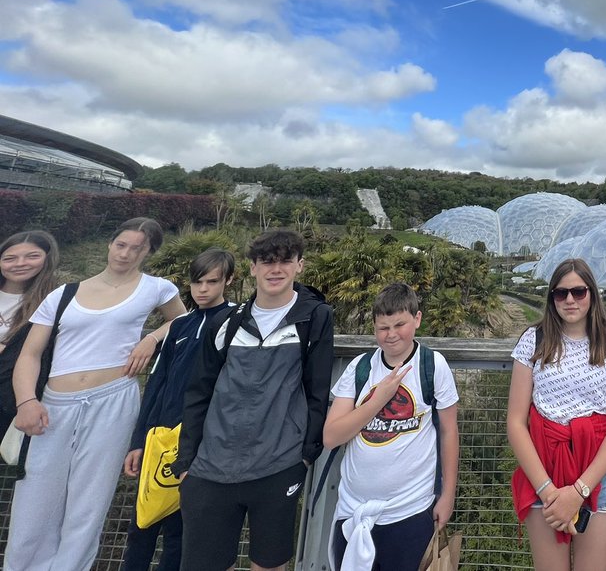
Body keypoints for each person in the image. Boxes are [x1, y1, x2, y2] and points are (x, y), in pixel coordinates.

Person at [6, 217, 185, 571]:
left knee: (89, 502)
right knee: (35, 496)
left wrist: (150, 338)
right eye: (121, 244)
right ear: (110, 243)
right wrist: (27, 401)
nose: (126, 253)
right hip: (54, 404)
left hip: (113, 398)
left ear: (148, 252)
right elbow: (30, 354)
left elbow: (185, 320)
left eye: (137, 248)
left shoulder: (157, 288)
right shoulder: (64, 294)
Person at [175, 229, 334, 571]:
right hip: (210, 467)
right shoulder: (226, 322)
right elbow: (199, 392)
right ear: (252, 267)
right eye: (267, 261)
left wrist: (305, 456)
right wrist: (186, 462)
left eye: (285, 261)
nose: (275, 269)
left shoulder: (315, 318)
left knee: (270, 564)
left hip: (278, 464)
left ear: (299, 266)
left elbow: (317, 390)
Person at [323, 282, 460, 571]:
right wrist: (378, 400)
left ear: (417, 319)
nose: (392, 334)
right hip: (353, 510)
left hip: (410, 510)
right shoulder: (360, 368)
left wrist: (447, 496)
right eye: (383, 327)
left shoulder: (433, 366)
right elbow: (331, 436)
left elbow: (449, 432)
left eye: (400, 324)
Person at [507, 258, 606, 571]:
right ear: (551, 298)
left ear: (592, 294)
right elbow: (515, 422)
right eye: (560, 293)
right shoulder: (533, 340)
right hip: (543, 468)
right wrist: (549, 491)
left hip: (596, 471)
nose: (570, 300)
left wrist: (579, 491)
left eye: (578, 292)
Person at [120, 247, 238, 571]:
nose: (202, 289)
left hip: (202, 444)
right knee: (141, 527)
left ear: (228, 280)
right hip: (160, 439)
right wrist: (138, 441)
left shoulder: (236, 322)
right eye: (197, 282)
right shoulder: (179, 326)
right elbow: (156, 385)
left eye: (211, 282)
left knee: (181, 535)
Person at [0, 230, 60, 431]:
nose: (20, 263)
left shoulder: (54, 301)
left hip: (10, 398)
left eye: (32, 256)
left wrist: (151, 337)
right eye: (10, 258)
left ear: (47, 259)